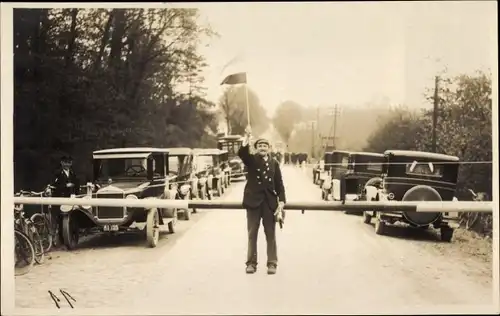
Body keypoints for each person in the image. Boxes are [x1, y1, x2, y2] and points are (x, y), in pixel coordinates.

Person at [238, 127, 286, 275]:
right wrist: (246, 137)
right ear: (256, 148)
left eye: (265, 146)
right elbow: (242, 154)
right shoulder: (252, 160)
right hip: (253, 203)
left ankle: (272, 263)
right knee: (252, 234)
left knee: (270, 234)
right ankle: (251, 263)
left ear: (269, 148)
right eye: (260, 146)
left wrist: (282, 202)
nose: (262, 148)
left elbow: (279, 184)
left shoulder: (274, 163)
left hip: (269, 204)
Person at [50, 155, 80, 245]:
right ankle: (60, 240)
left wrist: (76, 193)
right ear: (62, 163)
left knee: (73, 216)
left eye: (69, 162)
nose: (67, 164)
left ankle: (72, 237)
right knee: (60, 218)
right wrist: (65, 186)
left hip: (71, 197)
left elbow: (77, 183)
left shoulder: (72, 172)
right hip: (60, 198)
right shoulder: (57, 173)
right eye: (65, 162)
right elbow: (54, 185)